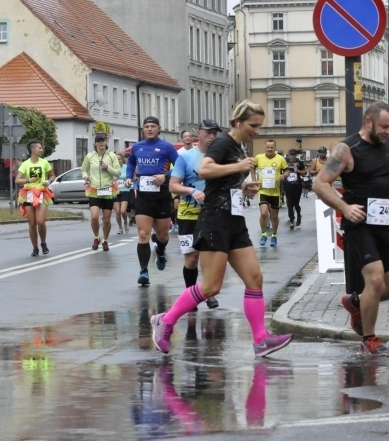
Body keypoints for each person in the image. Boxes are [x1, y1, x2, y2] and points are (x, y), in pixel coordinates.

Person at [150, 100, 292, 358]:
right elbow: (205, 170)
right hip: (215, 219)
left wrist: (243, 187)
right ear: (237, 122)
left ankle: (261, 339)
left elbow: (220, 181)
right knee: (210, 287)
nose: (257, 131)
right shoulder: (223, 143)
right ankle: (165, 321)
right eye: (253, 125)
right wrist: (238, 167)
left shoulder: (237, 146)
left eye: (260, 126)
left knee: (254, 279)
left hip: (234, 219)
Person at [313, 101, 389, 356]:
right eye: (383, 127)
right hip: (358, 224)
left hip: (383, 223)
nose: (388, 132)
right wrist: (345, 208)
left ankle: (357, 301)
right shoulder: (346, 150)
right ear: (368, 122)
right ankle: (369, 338)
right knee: (376, 280)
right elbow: (320, 184)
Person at [169, 119, 221, 310]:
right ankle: (191, 295)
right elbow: (173, 185)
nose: (212, 136)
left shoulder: (221, 157)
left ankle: (209, 295)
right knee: (192, 258)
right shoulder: (186, 157)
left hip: (212, 214)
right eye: (208, 132)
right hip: (188, 214)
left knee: (209, 255)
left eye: (215, 133)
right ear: (199, 133)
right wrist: (191, 191)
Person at [125, 116, 179, 286]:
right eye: (146, 126)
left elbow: (179, 166)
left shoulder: (167, 147)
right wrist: (128, 177)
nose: (149, 129)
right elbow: (131, 163)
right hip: (143, 196)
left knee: (162, 236)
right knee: (143, 234)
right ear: (143, 129)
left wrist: (166, 176)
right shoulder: (137, 147)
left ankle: (161, 251)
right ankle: (143, 271)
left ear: (159, 128)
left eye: (153, 126)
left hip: (162, 195)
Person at [15, 140, 55, 257]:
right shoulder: (26, 164)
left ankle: (43, 242)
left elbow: (52, 175)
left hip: (42, 193)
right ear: (33, 150)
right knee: (32, 223)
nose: (42, 150)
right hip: (28, 194)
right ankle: (35, 247)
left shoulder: (44, 163)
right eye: (39, 148)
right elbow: (17, 180)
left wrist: (48, 181)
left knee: (41, 222)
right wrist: (28, 180)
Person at [82, 133, 120, 251]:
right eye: (99, 141)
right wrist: (85, 176)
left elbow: (118, 173)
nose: (101, 143)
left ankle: (105, 240)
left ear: (106, 142)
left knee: (107, 219)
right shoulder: (90, 156)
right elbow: (83, 169)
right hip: (94, 189)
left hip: (107, 189)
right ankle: (96, 237)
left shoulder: (112, 156)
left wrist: (107, 167)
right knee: (94, 217)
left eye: (103, 140)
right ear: (95, 143)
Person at [253, 139, 288, 247]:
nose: (269, 149)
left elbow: (287, 171)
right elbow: (252, 168)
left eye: (272, 147)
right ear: (265, 147)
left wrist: (283, 175)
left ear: (275, 148)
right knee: (264, 213)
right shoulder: (259, 157)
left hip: (275, 192)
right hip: (263, 190)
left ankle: (274, 235)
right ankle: (264, 234)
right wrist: (255, 181)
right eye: (268, 147)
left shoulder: (280, 159)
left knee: (274, 216)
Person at [283, 149, 307, 229]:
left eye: (294, 154)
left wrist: (298, 171)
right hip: (287, 184)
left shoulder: (299, 162)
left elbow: (305, 172)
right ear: (288, 154)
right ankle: (291, 220)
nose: (292, 156)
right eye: (291, 154)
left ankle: (299, 216)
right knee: (290, 203)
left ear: (296, 155)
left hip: (297, 185)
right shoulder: (284, 162)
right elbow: (280, 171)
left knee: (296, 203)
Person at [114, 152, 130, 235]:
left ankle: (125, 223)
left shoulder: (126, 167)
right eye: (116, 159)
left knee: (123, 211)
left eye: (119, 159)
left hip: (125, 191)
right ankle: (120, 227)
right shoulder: (112, 168)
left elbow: (132, 177)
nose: (118, 161)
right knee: (117, 211)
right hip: (115, 191)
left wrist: (128, 180)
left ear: (122, 160)